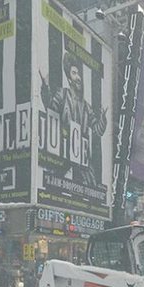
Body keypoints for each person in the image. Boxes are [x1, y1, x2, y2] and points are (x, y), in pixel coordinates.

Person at [40, 54, 108, 187]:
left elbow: (96, 131)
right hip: (63, 153)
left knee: (93, 187)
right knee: (51, 185)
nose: (78, 77)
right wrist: (45, 86)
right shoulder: (62, 94)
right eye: (74, 73)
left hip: (81, 159)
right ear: (69, 78)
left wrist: (103, 120)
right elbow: (50, 109)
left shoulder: (86, 106)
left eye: (78, 74)